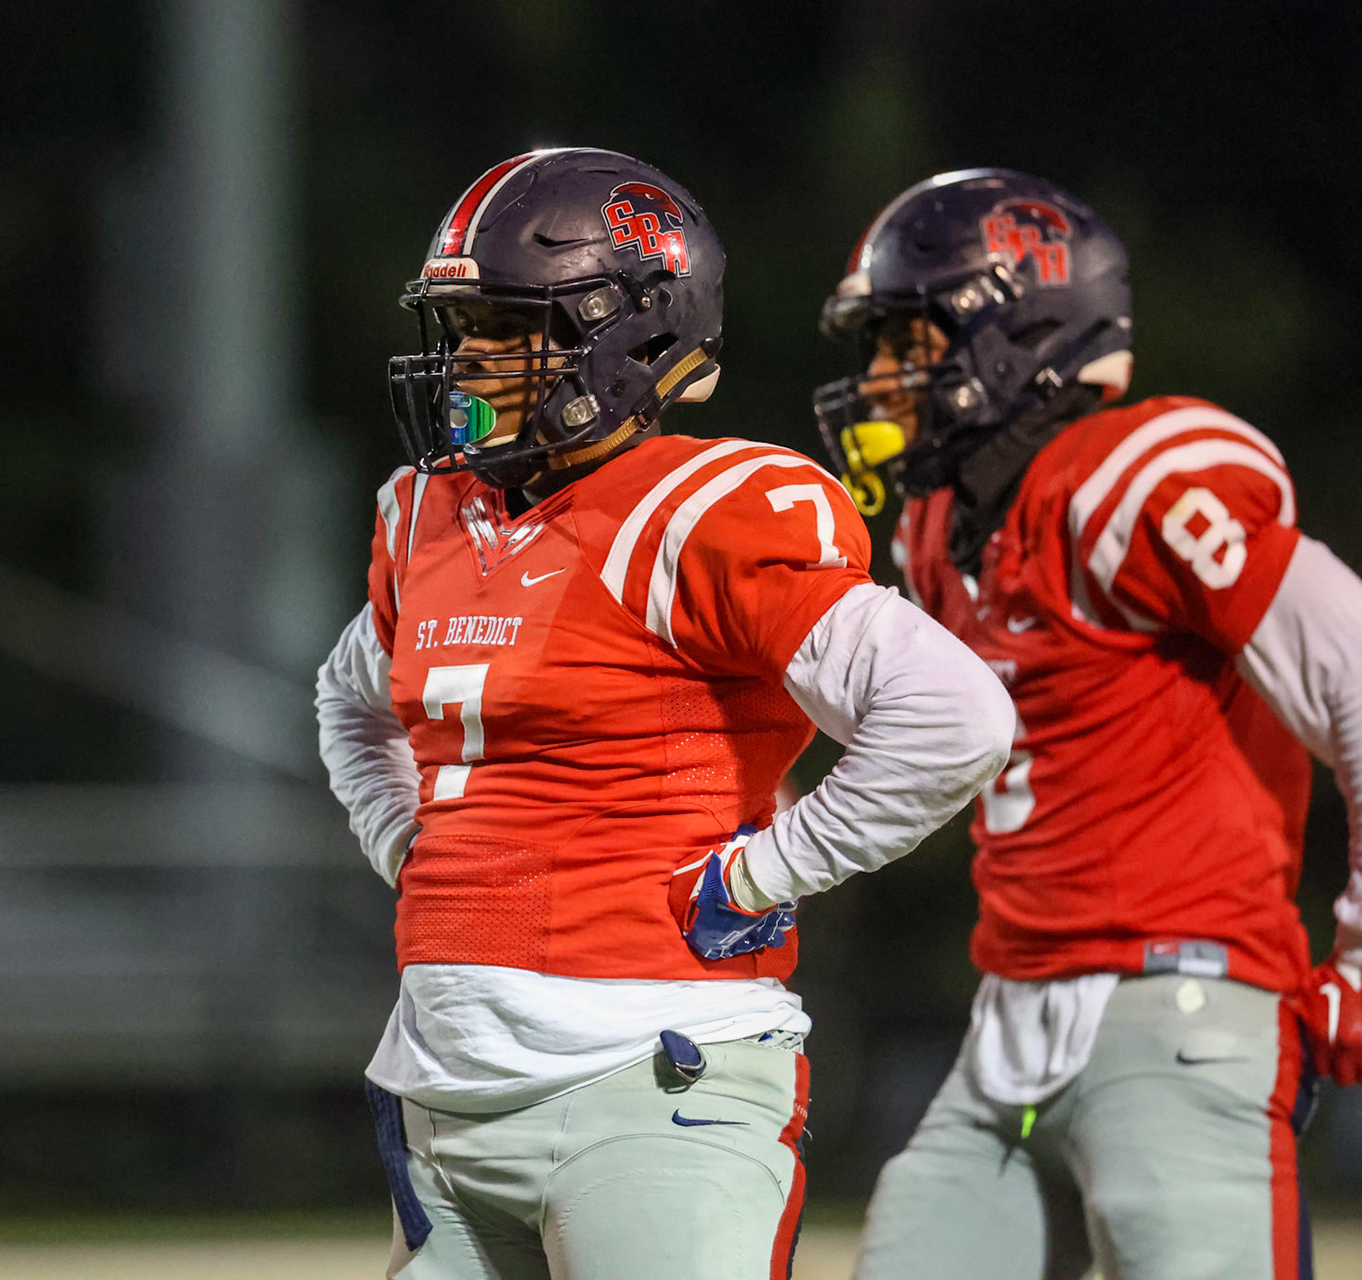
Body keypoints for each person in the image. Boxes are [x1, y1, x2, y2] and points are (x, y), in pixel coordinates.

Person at [316, 147, 1013, 1280]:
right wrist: (410, 840)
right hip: (440, 1088)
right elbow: (351, 700)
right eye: (465, 325)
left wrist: (764, 873)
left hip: (651, 1074)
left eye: (506, 323)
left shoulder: (706, 510)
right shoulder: (430, 515)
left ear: (624, 335)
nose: (470, 359)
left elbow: (955, 715)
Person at [815, 168, 1362, 1280]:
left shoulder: (1131, 480)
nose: (879, 382)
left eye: (903, 341)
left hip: (1183, 1008)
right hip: (1006, 1034)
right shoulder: (941, 528)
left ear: (1011, 337)